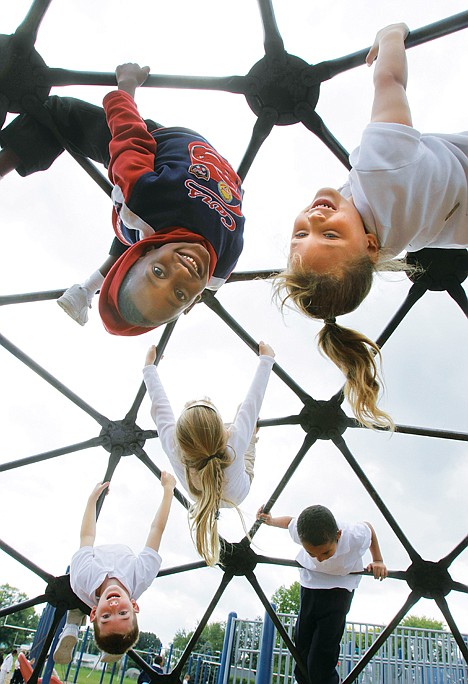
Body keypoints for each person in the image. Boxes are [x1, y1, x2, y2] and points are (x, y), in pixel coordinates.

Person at [273, 23, 468, 430]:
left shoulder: (385, 244)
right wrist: (391, 36)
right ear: (368, 244)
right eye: (330, 234)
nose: (315, 219)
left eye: (301, 234)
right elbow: (390, 80)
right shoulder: (381, 168)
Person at [0, 63, 245, 335]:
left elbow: (129, 135)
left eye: (159, 273)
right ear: (194, 302)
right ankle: (88, 288)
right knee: (141, 231)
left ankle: (87, 289)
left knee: (56, 114)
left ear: (145, 256)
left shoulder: (143, 197)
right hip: (200, 165)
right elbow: (238, 208)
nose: (181, 274)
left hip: (158, 146)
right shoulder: (222, 266)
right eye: (180, 294)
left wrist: (127, 85)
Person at [143, 341, 275, 566]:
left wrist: (150, 367)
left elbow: (160, 403)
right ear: (222, 432)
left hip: (208, 494)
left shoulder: (176, 444)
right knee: (245, 429)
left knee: (245, 423)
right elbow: (253, 400)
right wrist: (266, 359)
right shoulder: (231, 441)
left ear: (180, 436)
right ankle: (249, 437)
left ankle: (248, 436)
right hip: (227, 491)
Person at [257, 504, 387, 684]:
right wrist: (270, 521)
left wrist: (378, 560)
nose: (320, 558)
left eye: (326, 552)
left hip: (340, 590)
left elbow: (369, 529)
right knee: (302, 644)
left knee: (322, 651)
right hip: (311, 586)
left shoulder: (353, 535)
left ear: (338, 536)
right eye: (312, 553)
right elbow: (289, 523)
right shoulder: (302, 530)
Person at [53, 475, 176, 663]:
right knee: (79, 602)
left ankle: (72, 626)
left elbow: (87, 536)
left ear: (94, 613)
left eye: (106, 616)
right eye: (123, 613)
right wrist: (168, 490)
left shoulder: (84, 576)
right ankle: (103, 643)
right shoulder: (141, 576)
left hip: (81, 589)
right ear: (134, 606)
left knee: (73, 594)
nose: (114, 606)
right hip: (110, 576)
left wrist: (92, 500)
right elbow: (156, 530)